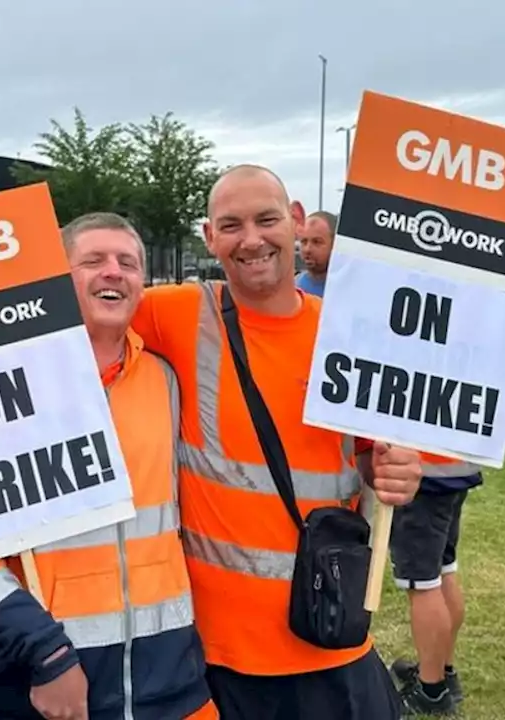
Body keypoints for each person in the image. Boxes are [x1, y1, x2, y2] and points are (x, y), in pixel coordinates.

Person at [130, 164, 422, 720]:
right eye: (231, 225)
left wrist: (399, 473)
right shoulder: (175, 314)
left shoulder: (346, 333)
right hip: (219, 659)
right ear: (210, 237)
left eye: (266, 219)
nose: (252, 239)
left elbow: (371, 456)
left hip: (329, 635)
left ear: (294, 222)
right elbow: (77, 328)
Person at [0, 212, 217, 720]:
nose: (113, 271)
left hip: (171, 677)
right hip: (52, 683)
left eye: (127, 263)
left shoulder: (164, 379)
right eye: (93, 260)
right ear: (56, 282)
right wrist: (45, 656)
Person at [385, 454, 483, 715]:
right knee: (443, 571)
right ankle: (442, 670)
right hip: (454, 468)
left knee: (423, 584)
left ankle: (431, 690)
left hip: (422, 476)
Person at [295, 210, 336, 296]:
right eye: (304, 241)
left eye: (317, 242)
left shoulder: (350, 290)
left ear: (334, 244)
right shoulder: (293, 289)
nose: (307, 249)